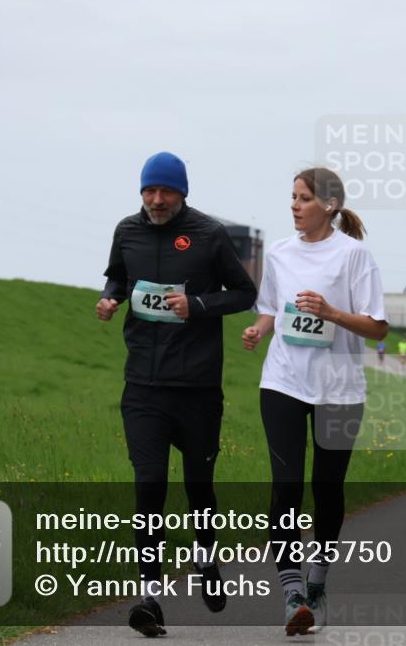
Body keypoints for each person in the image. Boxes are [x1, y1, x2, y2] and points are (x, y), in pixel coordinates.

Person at [98, 152, 258, 638]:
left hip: (197, 388)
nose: (157, 200)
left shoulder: (209, 235)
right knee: (149, 486)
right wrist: (111, 298)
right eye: (149, 191)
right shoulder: (127, 230)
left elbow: (244, 293)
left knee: (198, 486)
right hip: (143, 387)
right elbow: (119, 275)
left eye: (166, 191)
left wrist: (198, 304)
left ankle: (205, 558)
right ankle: (150, 597)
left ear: (182, 193)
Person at [242, 167, 388, 636]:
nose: (294, 205)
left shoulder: (354, 256)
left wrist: (332, 313)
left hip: (339, 389)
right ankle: (292, 595)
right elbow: (270, 308)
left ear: (329, 205)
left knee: (326, 489)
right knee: (285, 488)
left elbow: (377, 327)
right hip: (283, 382)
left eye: (303, 198)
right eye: (292, 197)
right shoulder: (280, 253)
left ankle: (318, 582)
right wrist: (258, 330)